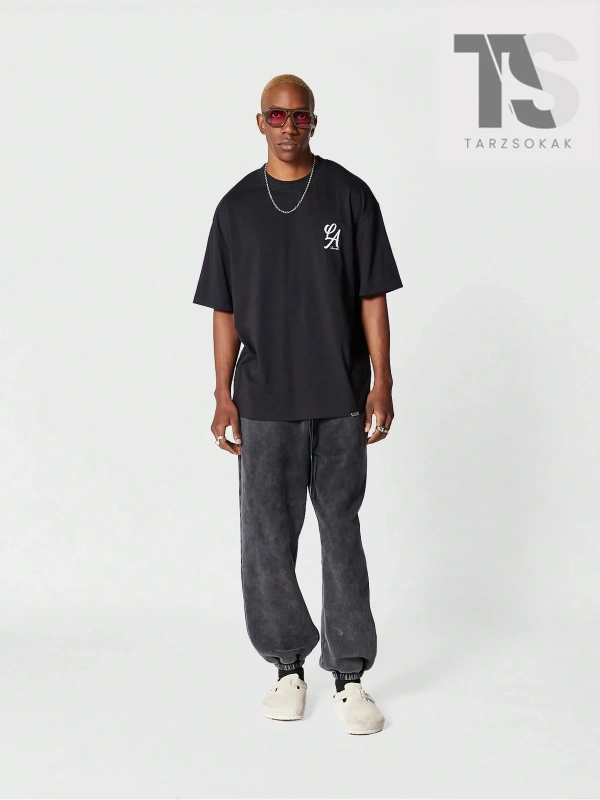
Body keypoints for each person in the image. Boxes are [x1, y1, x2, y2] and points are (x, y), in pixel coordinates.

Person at [192, 73, 403, 735]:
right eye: (277, 116)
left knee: (341, 534)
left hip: (340, 396)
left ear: (314, 121)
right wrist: (222, 393)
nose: (289, 126)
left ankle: (350, 677)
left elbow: (372, 295)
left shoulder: (349, 195)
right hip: (264, 401)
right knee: (266, 539)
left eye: (300, 115)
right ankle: (287, 666)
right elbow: (224, 309)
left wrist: (382, 380)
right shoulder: (235, 209)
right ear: (260, 122)